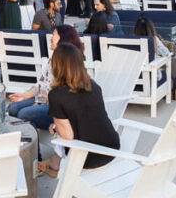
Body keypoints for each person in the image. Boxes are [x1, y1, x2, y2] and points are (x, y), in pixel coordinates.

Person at [38, 43, 121, 177]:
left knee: (59, 134)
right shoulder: (93, 86)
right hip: (112, 148)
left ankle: (54, 165)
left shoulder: (56, 95)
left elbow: (68, 137)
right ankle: (54, 163)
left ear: (57, 66)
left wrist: (55, 127)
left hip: (88, 157)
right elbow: (88, 117)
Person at [7, 25, 84, 164]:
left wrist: (41, 101)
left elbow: (63, 95)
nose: (51, 38)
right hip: (44, 100)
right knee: (13, 108)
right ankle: (19, 150)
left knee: (24, 114)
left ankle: (33, 157)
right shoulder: (54, 57)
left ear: (62, 39)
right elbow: (41, 84)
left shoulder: (69, 61)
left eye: (54, 35)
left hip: (58, 110)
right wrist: (24, 96)